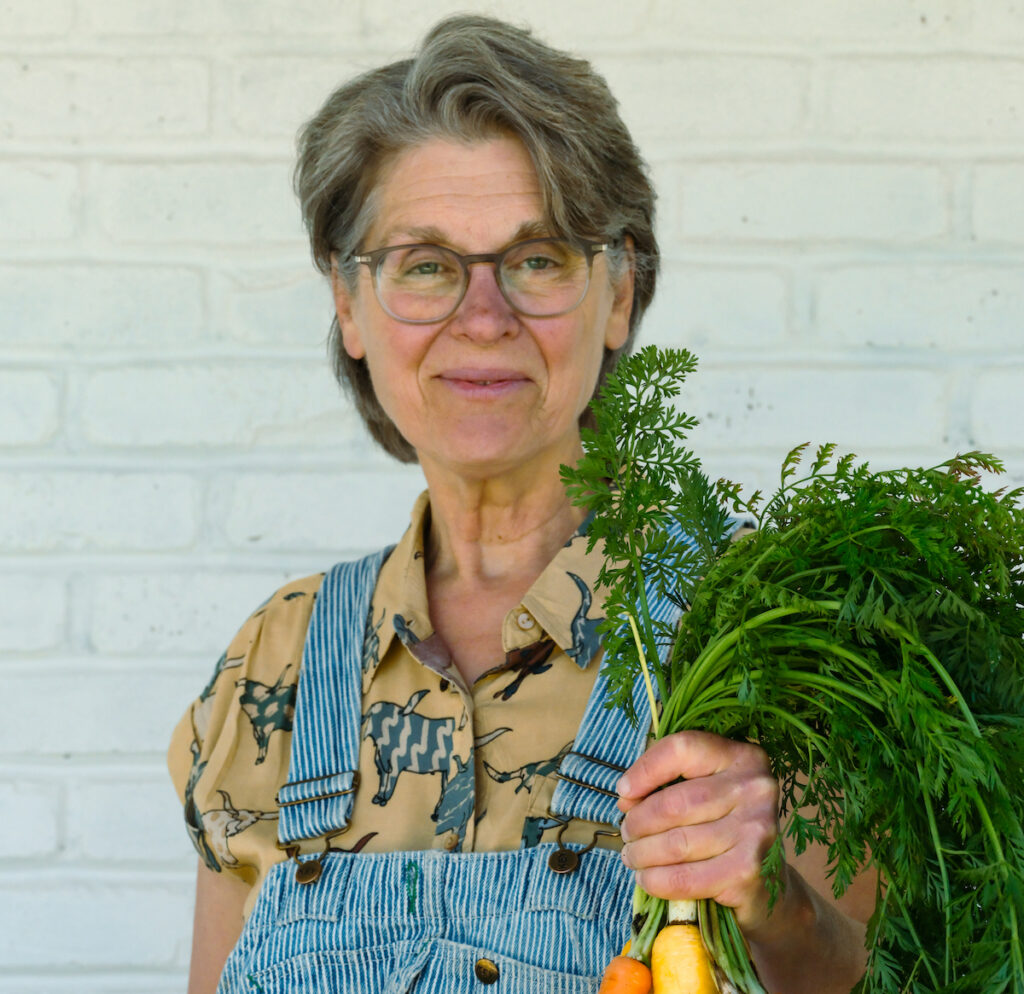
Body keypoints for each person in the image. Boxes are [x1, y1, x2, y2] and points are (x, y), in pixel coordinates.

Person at [168, 15, 875, 993]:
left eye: (536, 260)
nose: (484, 316)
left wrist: (776, 901)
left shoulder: (764, 635)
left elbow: (881, 974)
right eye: (424, 264)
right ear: (348, 304)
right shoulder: (275, 663)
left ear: (618, 293)